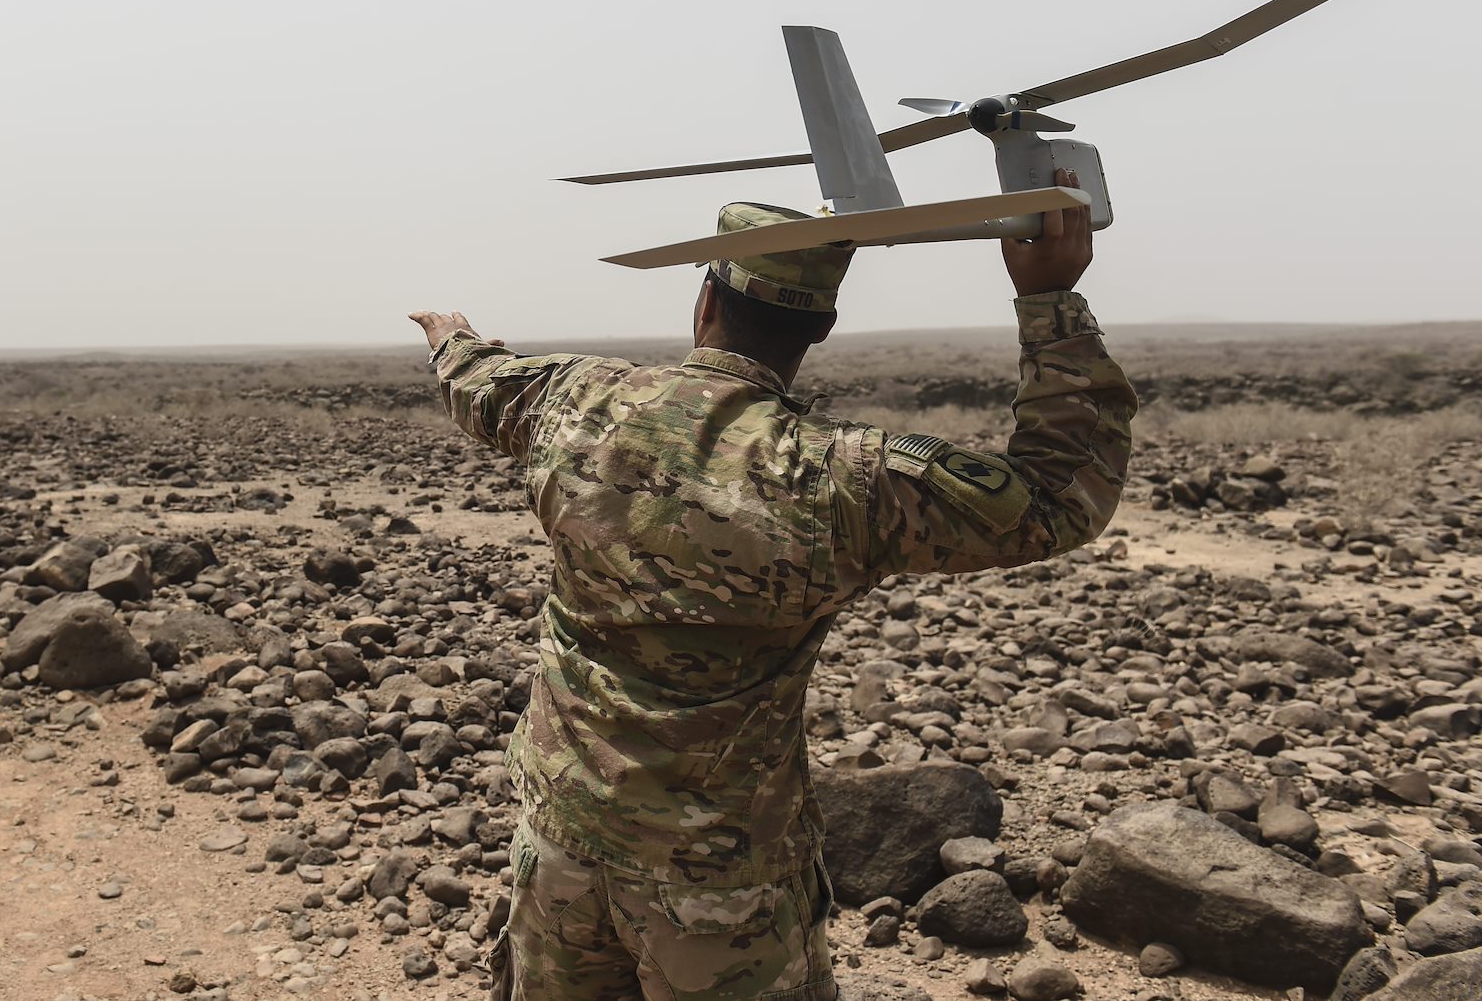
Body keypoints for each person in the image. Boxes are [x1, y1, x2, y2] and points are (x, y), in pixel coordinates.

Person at [406, 170, 1135, 1001]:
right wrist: (1051, 302)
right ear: (821, 326)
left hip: (561, 849)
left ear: (705, 301)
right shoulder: (841, 476)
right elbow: (1056, 498)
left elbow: (479, 385)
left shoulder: (575, 401)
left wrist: (451, 337)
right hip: (722, 888)